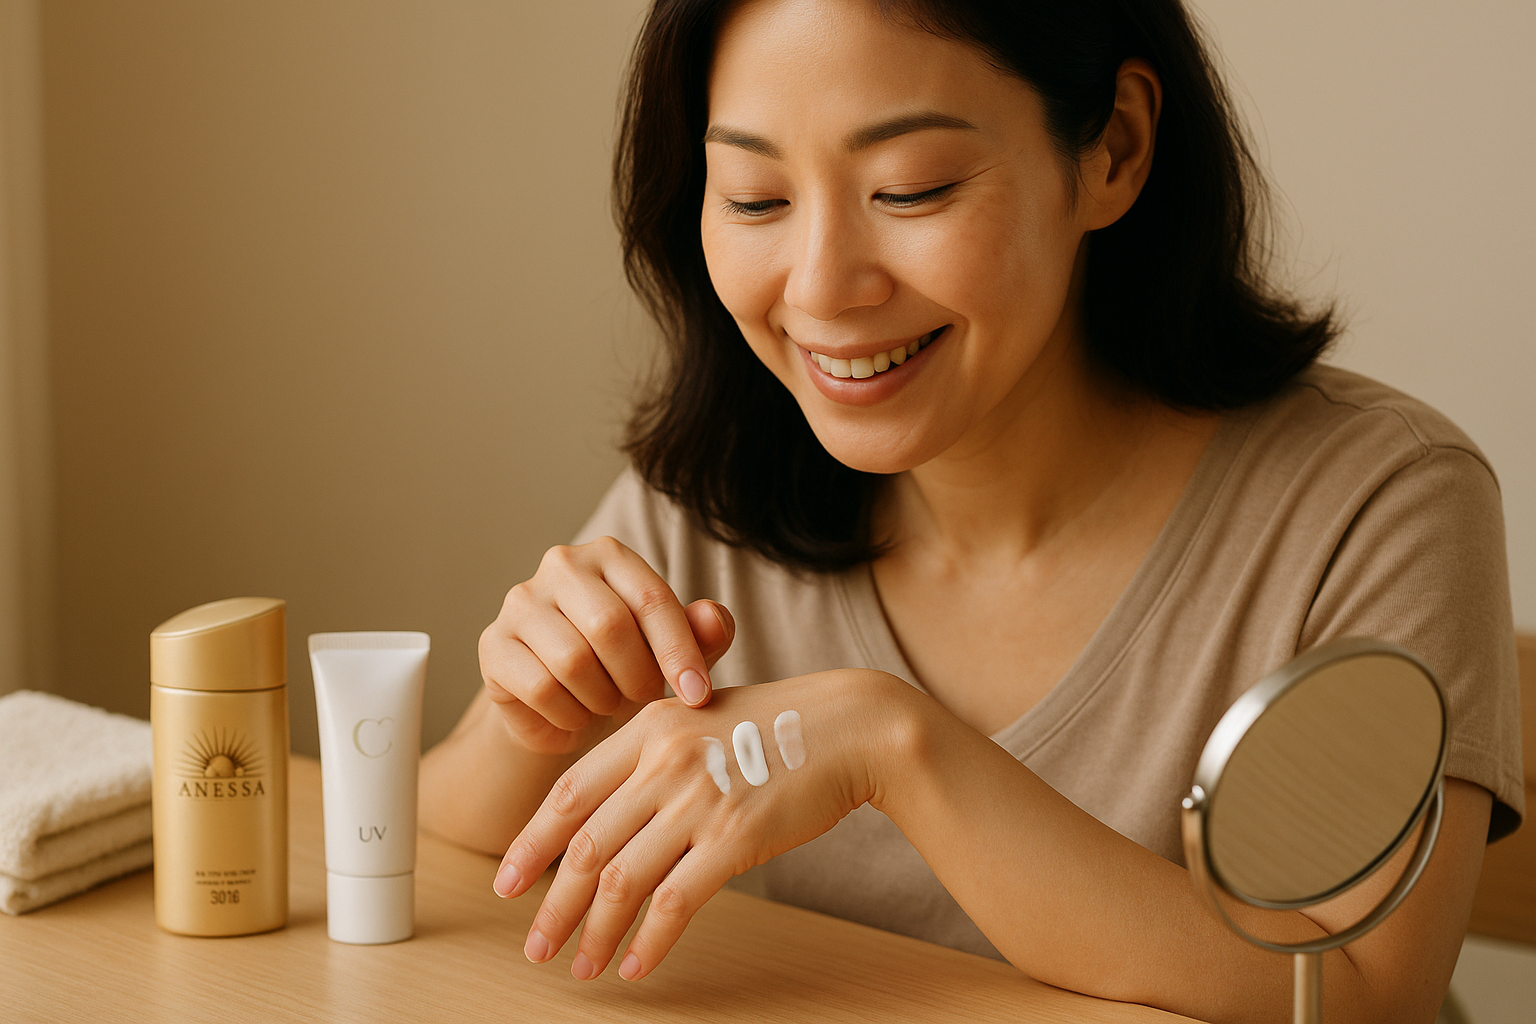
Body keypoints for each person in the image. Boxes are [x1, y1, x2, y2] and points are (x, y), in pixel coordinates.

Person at [419, 1, 1525, 1020]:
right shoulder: (719, 489)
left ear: (1114, 150)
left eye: (910, 188)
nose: (818, 287)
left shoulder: (1380, 500)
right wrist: (532, 724)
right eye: (755, 198)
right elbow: (443, 845)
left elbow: (1369, 991)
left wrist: (895, 747)